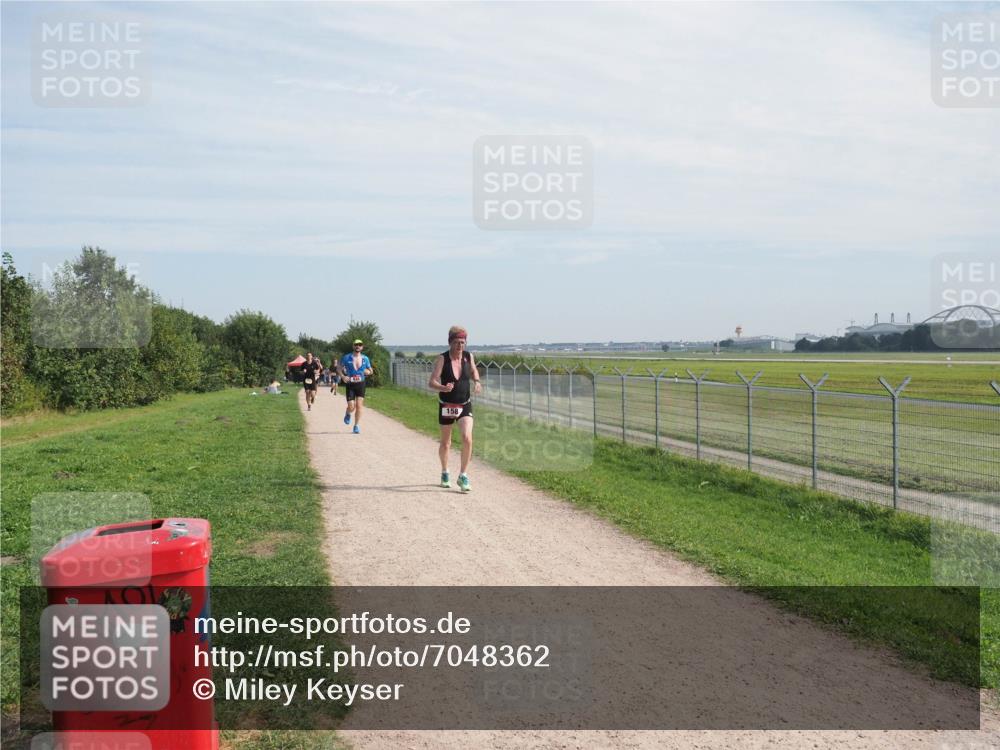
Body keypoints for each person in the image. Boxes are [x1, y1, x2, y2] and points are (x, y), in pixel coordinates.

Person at [427, 326, 481, 492]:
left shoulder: (468, 356)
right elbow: (432, 382)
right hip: (447, 405)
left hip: (464, 404)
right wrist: (443, 388)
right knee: (446, 443)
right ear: (450, 342)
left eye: (463, 342)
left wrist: (477, 381)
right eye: (457, 342)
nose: (460, 346)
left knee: (467, 438)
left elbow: (473, 370)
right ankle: (445, 472)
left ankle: (463, 475)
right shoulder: (442, 359)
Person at [338, 339, 372, 433]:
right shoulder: (346, 357)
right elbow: (339, 368)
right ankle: (348, 413)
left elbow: (371, 371)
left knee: (359, 406)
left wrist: (368, 372)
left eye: (360, 345)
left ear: (362, 347)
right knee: (351, 406)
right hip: (350, 384)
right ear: (353, 346)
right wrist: (343, 376)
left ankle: (356, 425)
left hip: (361, 384)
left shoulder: (365, 358)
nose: (358, 346)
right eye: (356, 344)